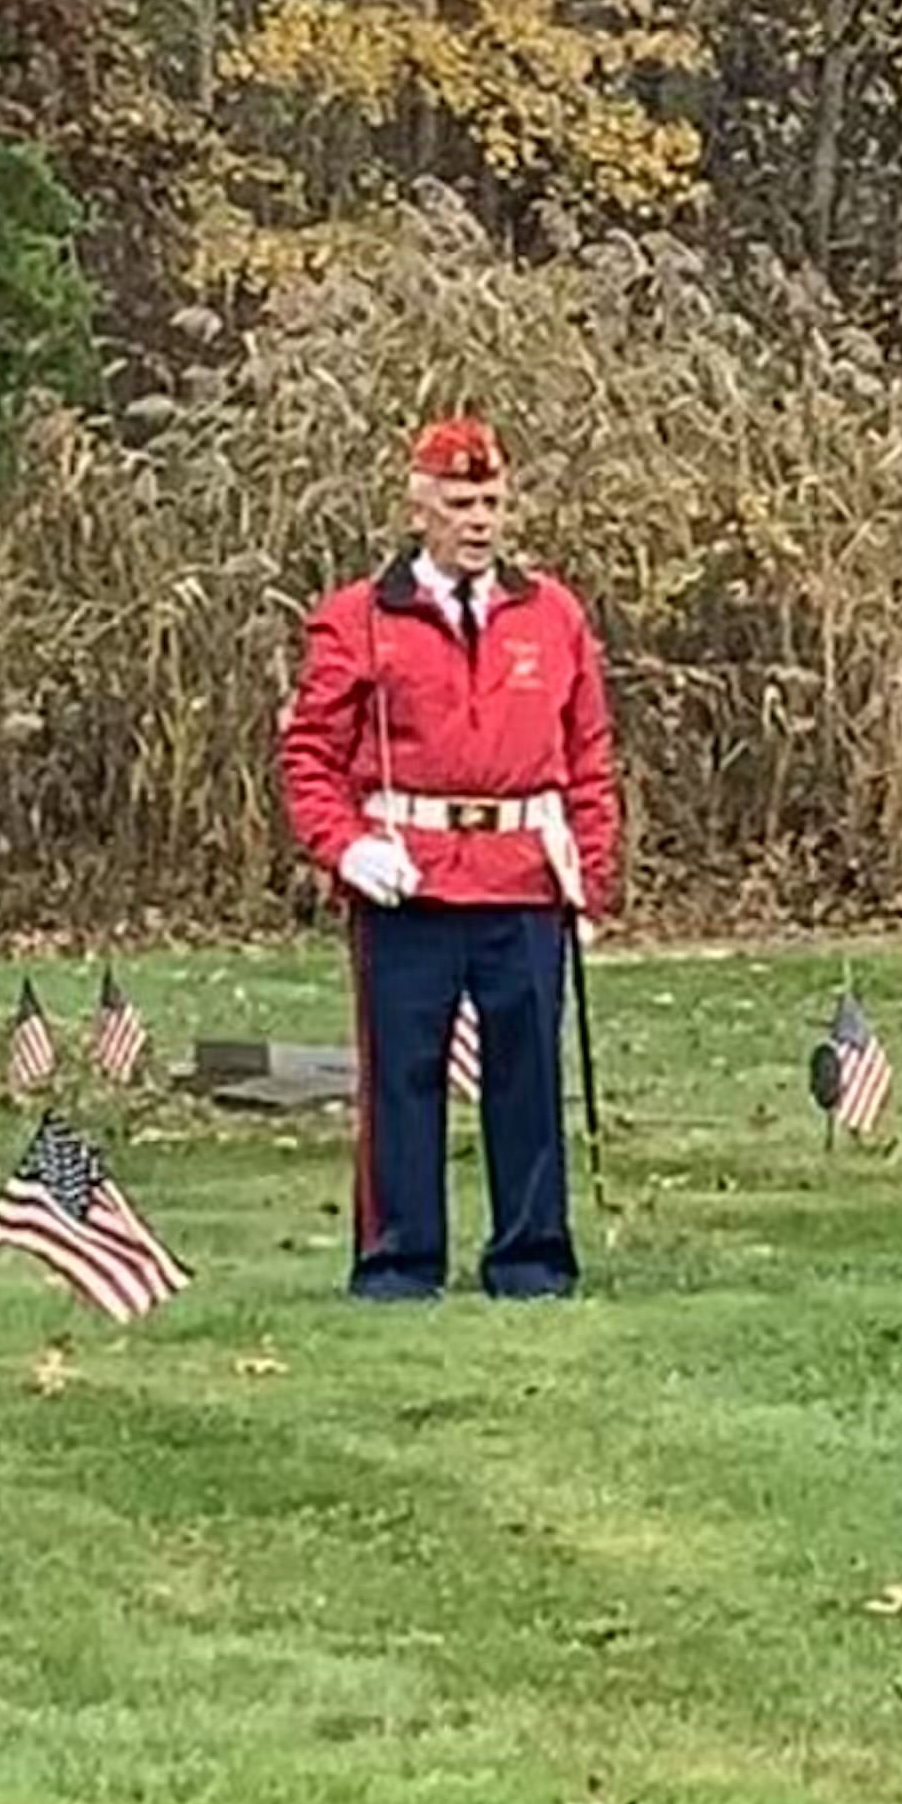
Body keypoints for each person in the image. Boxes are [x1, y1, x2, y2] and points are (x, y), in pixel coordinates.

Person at [277, 412, 619, 1301]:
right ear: (418, 505)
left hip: (522, 876)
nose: (480, 520)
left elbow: (589, 752)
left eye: (492, 501)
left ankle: (532, 1261)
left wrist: (595, 871)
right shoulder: (358, 619)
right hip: (410, 880)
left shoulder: (551, 615)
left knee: (527, 1080)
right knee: (400, 1078)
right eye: (461, 501)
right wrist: (345, 847)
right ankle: (398, 1262)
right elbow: (310, 755)